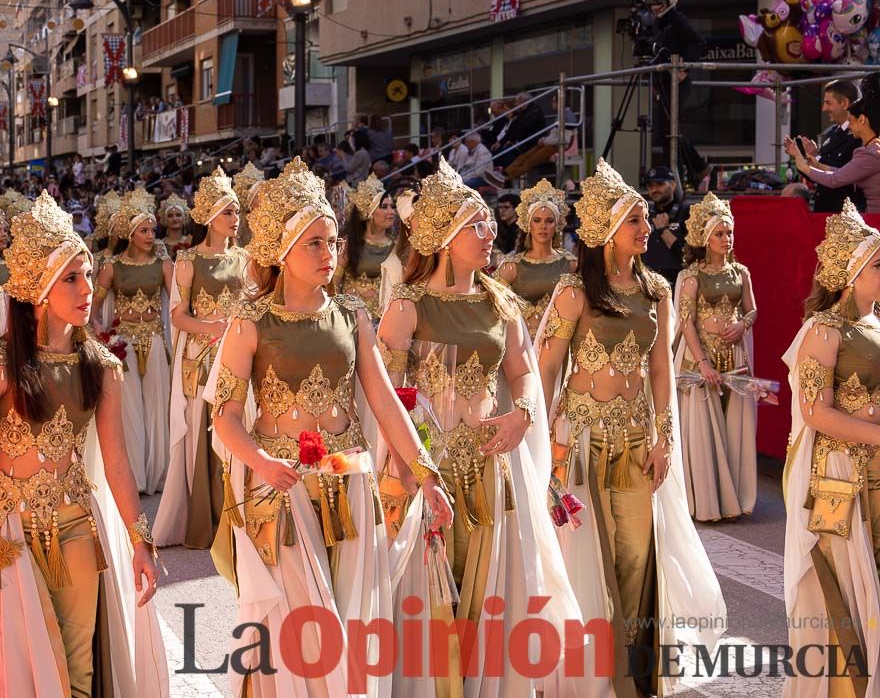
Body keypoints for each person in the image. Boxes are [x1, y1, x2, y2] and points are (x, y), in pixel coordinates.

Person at [204, 157, 451, 697]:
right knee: (302, 623)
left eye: (333, 241)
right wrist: (263, 464)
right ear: (283, 252)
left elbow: (385, 403)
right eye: (314, 243)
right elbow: (223, 416)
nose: (329, 253)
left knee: (349, 613)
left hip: (348, 477)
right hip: (279, 486)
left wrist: (426, 474)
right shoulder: (250, 321)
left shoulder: (352, 315)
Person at [0, 193, 169, 697]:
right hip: (6, 533)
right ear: (38, 289)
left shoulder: (101, 365)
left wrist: (140, 540)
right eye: (72, 279)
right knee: (22, 670)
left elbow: (117, 462)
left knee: (78, 673)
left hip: (76, 524)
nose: (86, 290)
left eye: (87, 274)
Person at [376, 160, 580, 695]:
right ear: (444, 236)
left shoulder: (500, 300)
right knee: (432, 590)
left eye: (490, 223)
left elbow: (524, 374)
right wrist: (406, 471)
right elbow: (389, 401)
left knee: (489, 590)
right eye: (477, 225)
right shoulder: (406, 305)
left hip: (492, 464)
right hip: (429, 467)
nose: (490, 233)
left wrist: (524, 414)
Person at [536, 159, 724, 697]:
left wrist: (665, 437)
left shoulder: (657, 290)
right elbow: (548, 371)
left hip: (637, 441)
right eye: (635, 221)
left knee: (638, 556)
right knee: (587, 555)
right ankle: (593, 674)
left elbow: (661, 369)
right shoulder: (575, 290)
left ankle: (636, 676)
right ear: (606, 232)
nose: (645, 230)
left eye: (644, 220)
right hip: (580, 441)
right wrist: (544, 443)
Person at [782, 200, 880, 697]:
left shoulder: (877, 322)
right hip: (843, 478)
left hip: (877, 473)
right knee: (848, 594)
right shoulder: (824, 329)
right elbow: (816, 413)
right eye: (879, 263)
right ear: (853, 272)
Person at [155, 168, 247, 548]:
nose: (235, 218)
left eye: (237, 210)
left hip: (235, 355)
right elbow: (177, 314)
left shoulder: (245, 258)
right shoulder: (188, 260)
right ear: (210, 217)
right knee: (202, 433)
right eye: (227, 211)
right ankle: (202, 520)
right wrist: (213, 328)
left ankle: (235, 519)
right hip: (203, 357)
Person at [674, 193, 758, 521]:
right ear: (704, 238)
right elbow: (686, 322)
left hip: (735, 357)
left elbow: (752, 310)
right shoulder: (693, 276)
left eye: (729, 233)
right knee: (703, 430)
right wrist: (703, 362)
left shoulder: (742, 272)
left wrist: (742, 325)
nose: (727, 239)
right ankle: (707, 502)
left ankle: (734, 499)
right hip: (701, 358)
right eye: (720, 234)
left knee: (735, 427)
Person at [95, 187, 173, 494]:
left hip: (154, 339)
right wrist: (103, 338)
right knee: (129, 409)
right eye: (143, 230)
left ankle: (159, 476)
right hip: (122, 343)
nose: (150, 235)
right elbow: (93, 309)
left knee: (157, 406)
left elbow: (178, 304)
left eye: (152, 229)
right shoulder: (112, 267)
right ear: (130, 233)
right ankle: (135, 478)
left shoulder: (163, 265)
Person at [789, 78, 880, 214]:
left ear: (862, 120)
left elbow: (836, 179)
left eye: (850, 120)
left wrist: (804, 167)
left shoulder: (870, 152)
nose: (848, 125)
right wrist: (817, 165)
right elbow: (843, 173)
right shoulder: (870, 149)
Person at [495, 179, 577, 331]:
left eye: (549, 221)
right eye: (537, 220)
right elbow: (495, 307)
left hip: (560, 344)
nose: (543, 227)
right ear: (528, 224)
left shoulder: (571, 264)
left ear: (557, 224)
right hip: (523, 343)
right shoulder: (513, 266)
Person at [332, 175, 396, 320]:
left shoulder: (396, 246)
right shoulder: (350, 243)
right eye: (384, 207)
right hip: (350, 317)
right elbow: (333, 284)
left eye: (392, 207)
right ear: (370, 213)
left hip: (383, 320)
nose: (391, 212)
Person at [642, 166, 689, 285]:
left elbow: (688, 254)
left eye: (659, 184)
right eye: (650, 186)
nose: (654, 189)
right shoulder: (644, 214)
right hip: (647, 280)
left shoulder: (685, 212)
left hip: (677, 281)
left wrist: (663, 230)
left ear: (673, 185)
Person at [158, 194, 192, 258]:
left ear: (184, 218)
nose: (174, 219)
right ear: (165, 220)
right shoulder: (160, 244)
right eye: (170, 216)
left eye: (178, 215)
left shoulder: (190, 242)